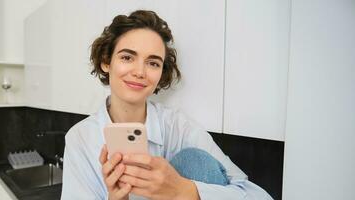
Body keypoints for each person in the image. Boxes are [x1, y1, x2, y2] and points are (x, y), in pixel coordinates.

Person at [61, 10, 273, 200]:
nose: (140, 72)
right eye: (127, 57)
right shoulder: (80, 139)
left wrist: (183, 191)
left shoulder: (178, 127)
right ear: (106, 62)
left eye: (153, 63)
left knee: (194, 161)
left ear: (161, 73)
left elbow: (258, 196)